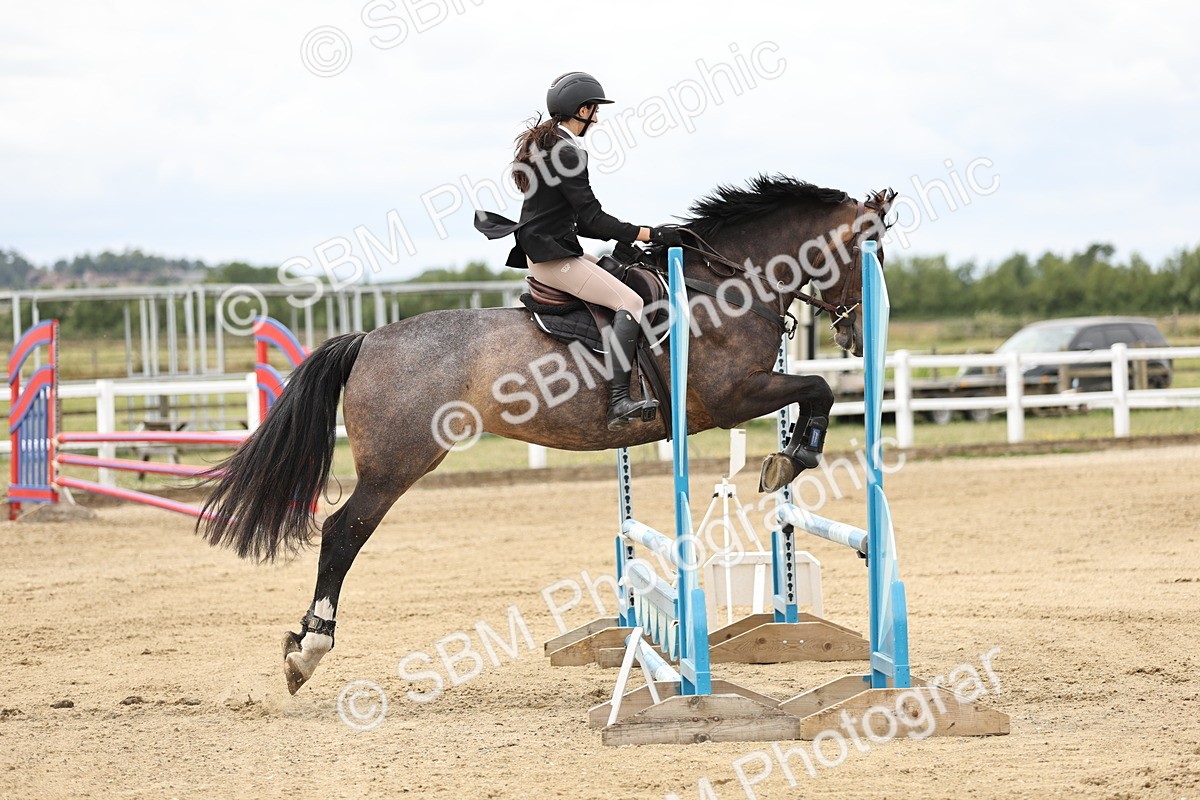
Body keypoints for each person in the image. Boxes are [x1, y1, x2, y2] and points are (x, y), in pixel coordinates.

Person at [475, 71, 682, 431]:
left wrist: (632, 236)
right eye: (594, 111)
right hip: (554, 260)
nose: (597, 119)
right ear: (581, 110)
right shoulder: (566, 151)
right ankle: (619, 401)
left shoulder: (551, 144)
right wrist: (649, 233)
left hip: (553, 249)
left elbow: (581, 222)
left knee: (614, 270)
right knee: (630, 303)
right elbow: (593, 217)